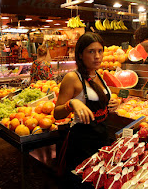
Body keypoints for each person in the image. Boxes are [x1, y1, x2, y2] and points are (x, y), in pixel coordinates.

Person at [54, 32, 119, 187]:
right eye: (91, 51)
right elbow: (56, 113)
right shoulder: (72, 78)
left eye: (100, 51)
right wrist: (72, 104)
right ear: (80, 55)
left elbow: (100, 104)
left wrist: (112, 104)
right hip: (81, 144)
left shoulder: (99, 76)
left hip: (102, 140)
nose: (97, 56)